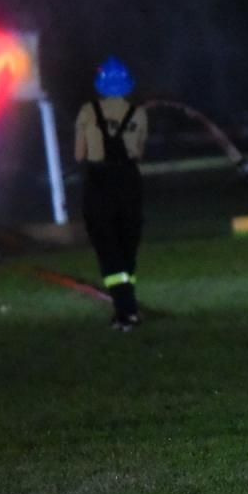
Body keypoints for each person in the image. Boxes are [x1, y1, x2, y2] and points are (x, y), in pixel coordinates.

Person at [74, 56, 149, 331]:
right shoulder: (139, 113)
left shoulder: (87, 111)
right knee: (127, 247)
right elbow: (138, 153)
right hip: (129, 182)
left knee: (108, 249)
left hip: (99, 183)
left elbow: (79, 154)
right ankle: (127, 308)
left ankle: (126, 311)